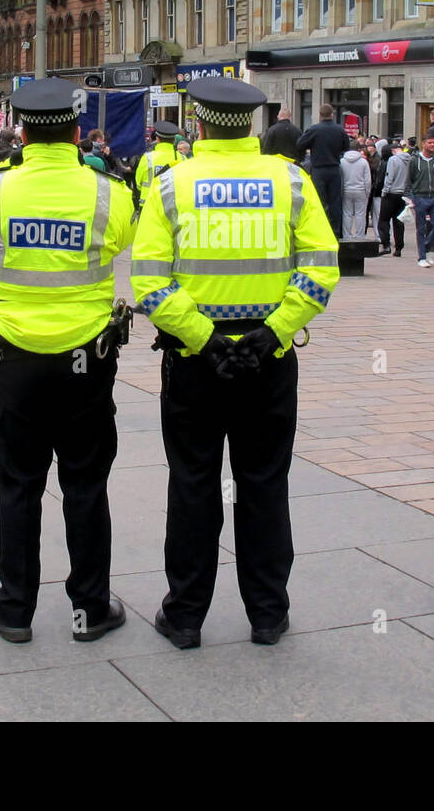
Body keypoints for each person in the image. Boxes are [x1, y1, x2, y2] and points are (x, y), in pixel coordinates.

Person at [130, 77, 339, 649]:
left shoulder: (172, 185)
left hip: (197, 364)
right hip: (266, 361)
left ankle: (186, 617)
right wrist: (272, 332)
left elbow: (150, 281)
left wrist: (205, 338)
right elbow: (321, 268)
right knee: (265, 484)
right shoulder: (292, 182)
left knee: (193, 484)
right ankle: (268, 616)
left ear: (198, 123)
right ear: (250, 124)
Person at [0, 79, 135, 644]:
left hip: (14, 359)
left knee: (17, 484)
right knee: (85, 485)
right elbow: (121, 241)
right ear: (77, 132)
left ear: (22, 133)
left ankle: (14, 611)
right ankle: (90, 609)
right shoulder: (109, 193)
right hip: (86, 357)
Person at [295, 103, 349, 237]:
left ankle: (320, 230)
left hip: (319, 169)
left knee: (319, 201)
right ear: (332, 114)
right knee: (335, 201)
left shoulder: (314, 129)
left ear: (320, 115)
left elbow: (300, 144)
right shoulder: (339, 130)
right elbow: (346, 146)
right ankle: (336, 231)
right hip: (334, 168)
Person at [408, 135, 434, 266]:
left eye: (433, 143)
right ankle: (422, 257)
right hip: (419, 197)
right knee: (421, 228)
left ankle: (425, 248)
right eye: (430, 143)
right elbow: (409, 178)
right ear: (423, 144)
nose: (432, 145)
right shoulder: (414, 160)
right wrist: (409, 196)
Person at [134, 120, 184, 201]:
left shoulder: (147, 158)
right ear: (174, 140)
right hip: (173, 204)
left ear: (157, 139)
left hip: (149, 204)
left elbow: (138, 182)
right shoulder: (182, 158)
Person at [376, 143, 409, 256]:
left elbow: (390, 176)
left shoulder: (393, 160)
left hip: (391, 193)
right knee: (399, 221)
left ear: (393, 150)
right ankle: (399, 248)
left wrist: (385, 190)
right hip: (403, 194)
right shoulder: (409, 159)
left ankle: (386, 245)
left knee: (383, 220)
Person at [340, 141, 372, 238]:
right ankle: (360, 235)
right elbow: (367, 180)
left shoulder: (342, 161)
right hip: (360, 190)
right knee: (360, 214)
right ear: (359, 149)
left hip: (346, 189)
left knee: (347, 213)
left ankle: (347, 235)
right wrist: (367, 192)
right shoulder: (363, 162)